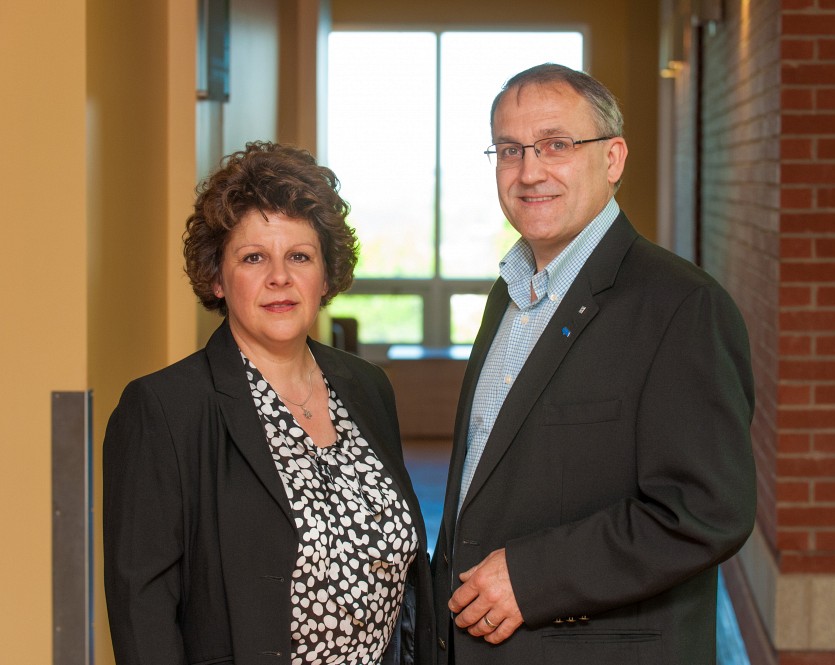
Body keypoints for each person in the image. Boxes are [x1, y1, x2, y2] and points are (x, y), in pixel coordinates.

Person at [431, 64, 756, 664]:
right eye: (509, 150)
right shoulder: (509, 292)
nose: (529, 171)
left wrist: (535, 577)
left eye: (556, 144)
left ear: (613, 159)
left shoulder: (682, 307)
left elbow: (707, 510)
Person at [104, 141, 433, 665]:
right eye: (253, 257)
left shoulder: (367, 387)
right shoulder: (164, 409)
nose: (279, 277)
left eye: (299, 256)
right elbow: (142, 614)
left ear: (325, 277)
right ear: (217, 277)